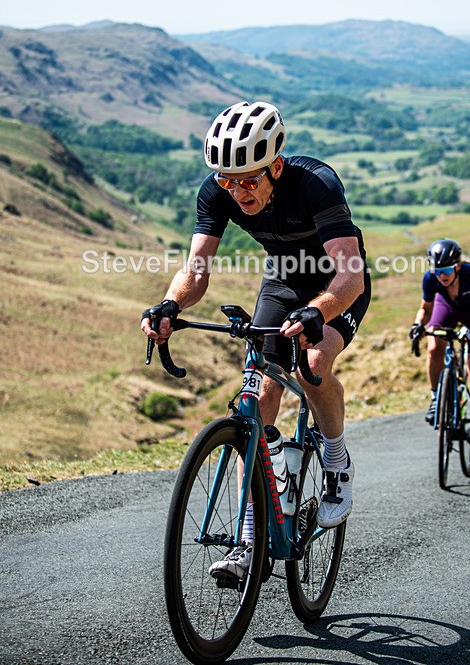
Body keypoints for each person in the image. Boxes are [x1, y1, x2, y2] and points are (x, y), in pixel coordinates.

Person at [141, 100, 371, 580]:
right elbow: (195, 272)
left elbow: (350, 276)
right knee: (260, 391)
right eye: (228, 181)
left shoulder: (316, 183)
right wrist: (169, 305)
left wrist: (318, 311)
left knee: (313, 363)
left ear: (276, 167)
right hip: (283, 279)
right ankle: (251, 537)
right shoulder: (217, 191)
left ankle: (336, 459)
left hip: (336, 283)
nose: (237, 191)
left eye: (248, 181)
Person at [409, 238, 470, 454]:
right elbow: (425, 308)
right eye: (438, 270)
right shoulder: (431, 279)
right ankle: (436, 399)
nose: (442, 275)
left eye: (447, 270)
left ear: (457, 266)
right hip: (447, 308)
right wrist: (417, 325)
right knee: (433, 347)